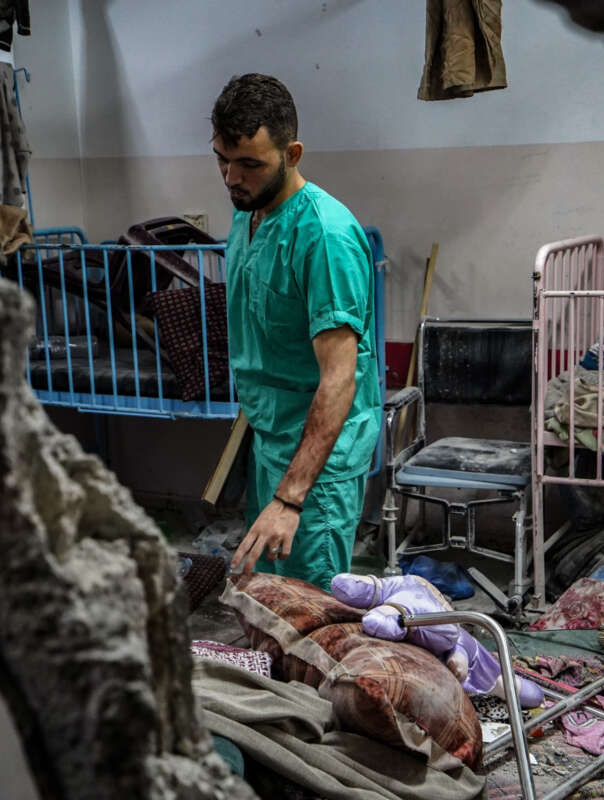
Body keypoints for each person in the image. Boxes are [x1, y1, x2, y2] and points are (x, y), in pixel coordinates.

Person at [212, 74, 381, 591]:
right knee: (266, 595)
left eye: (249, 164)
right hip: (271, 436)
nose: (230, 178)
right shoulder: (249, 216)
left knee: (312, 607)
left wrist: (290, 499)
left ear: (293, 153)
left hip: (318, 458)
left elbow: (338, 381)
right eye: (222, 159)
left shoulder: (325, 237)